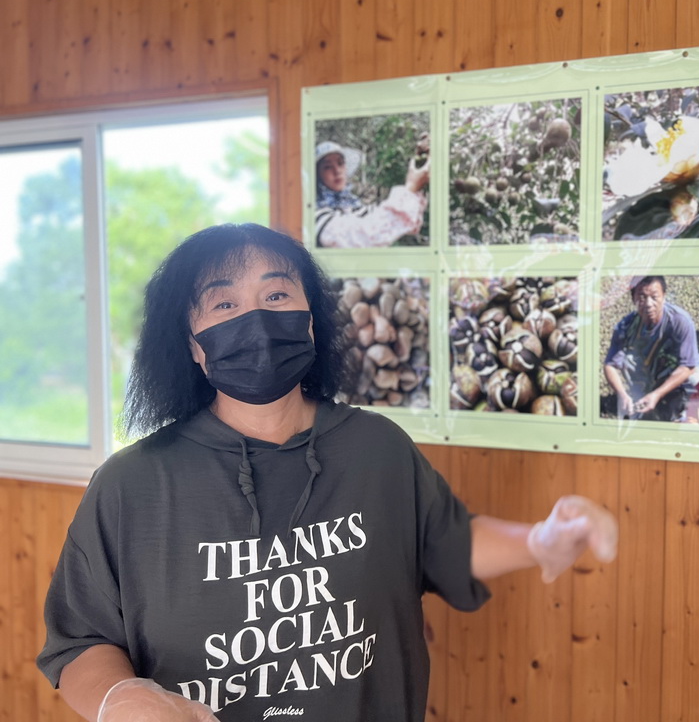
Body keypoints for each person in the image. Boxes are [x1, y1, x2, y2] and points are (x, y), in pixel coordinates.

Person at [37, 223, 617, 722]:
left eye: (277, 294)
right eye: (224, 305)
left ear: (311, 320)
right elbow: (81, 640)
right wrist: (120, 699)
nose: (256, 318)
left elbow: (447, 543)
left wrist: (541, 540)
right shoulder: (131, 486)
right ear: (192, 345)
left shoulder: (377, 448)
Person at [603, 275, 699, 421]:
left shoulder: (680, 321)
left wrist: (657, 394)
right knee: (627, 360)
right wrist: (622, 394)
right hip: (648, 372)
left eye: (654, 297)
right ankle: (642, 393)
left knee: (694, 378)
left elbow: (688, 365)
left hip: (677, 371)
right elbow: (610, 365)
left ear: (664, 296)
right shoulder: (625, 326)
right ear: (633, 298)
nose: (648, 304)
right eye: (642, 297)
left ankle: (683, 402)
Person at [314, 140, 430, 248]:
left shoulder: (353, 206)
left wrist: (420, 163)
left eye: (340, 163)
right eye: (327, 167)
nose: (337, 171)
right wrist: (411, 187)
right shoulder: (316, 214)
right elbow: (364, 236)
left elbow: (392, 221)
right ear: (317, 175)